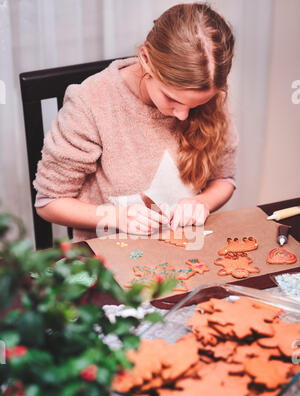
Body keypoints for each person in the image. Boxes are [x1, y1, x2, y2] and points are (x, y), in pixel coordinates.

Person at [33, 2, 239, 243]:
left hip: (189, 249)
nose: (183, 115)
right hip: (110, 255)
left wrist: (202, 202)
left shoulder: (210, 99)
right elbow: (48, 203)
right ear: (145, 59)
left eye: (194, 105)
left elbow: (224, 179)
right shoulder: (92, 102)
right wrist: (117, 217)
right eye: (171, 98)